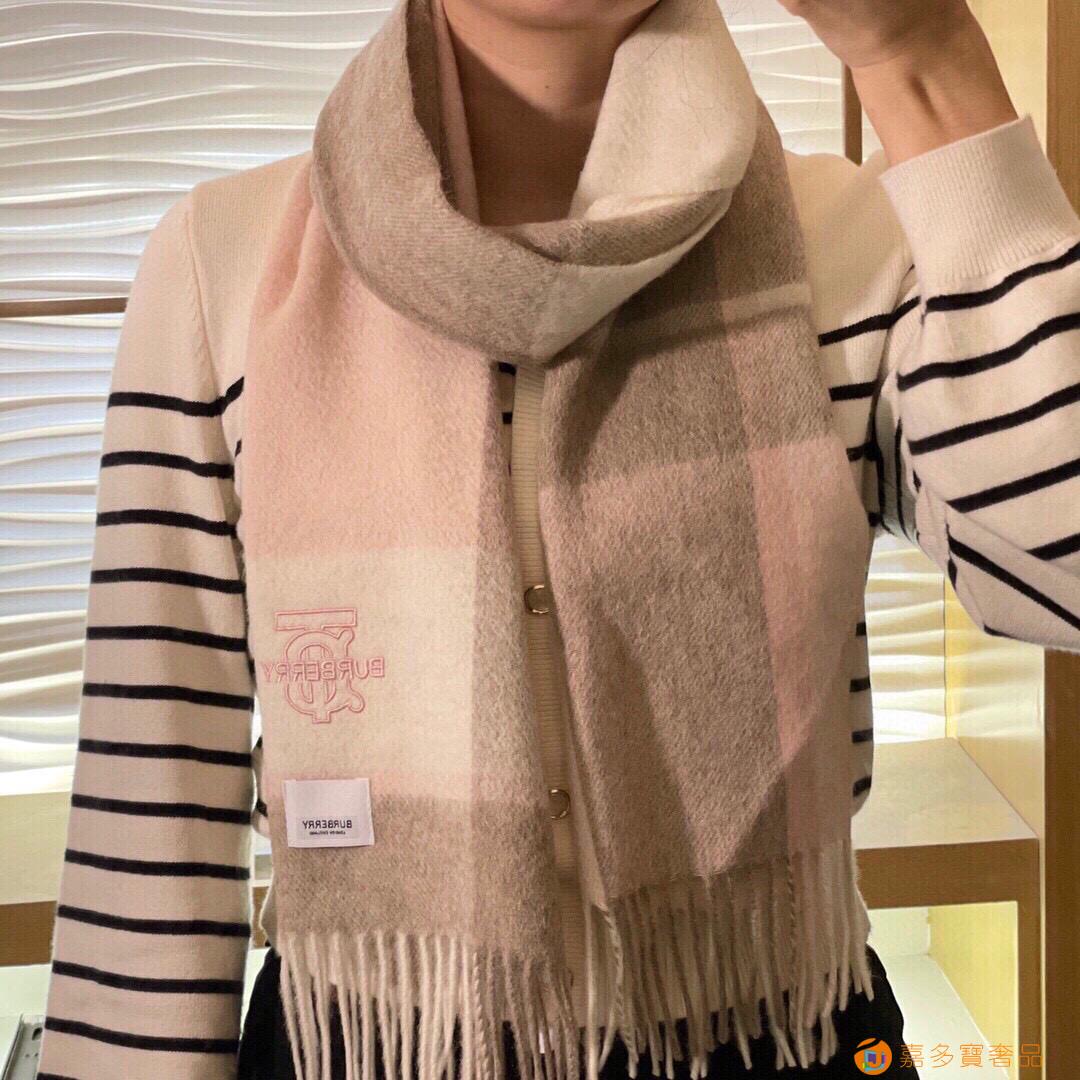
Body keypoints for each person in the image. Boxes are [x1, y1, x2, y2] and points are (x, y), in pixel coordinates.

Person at [36, 0, 1079, 1078]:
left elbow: (1060, 572)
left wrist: (917, 55)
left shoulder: (845, 243)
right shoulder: (226, 265)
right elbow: (154, 780)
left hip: (777, 1028)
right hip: (368, 1038)